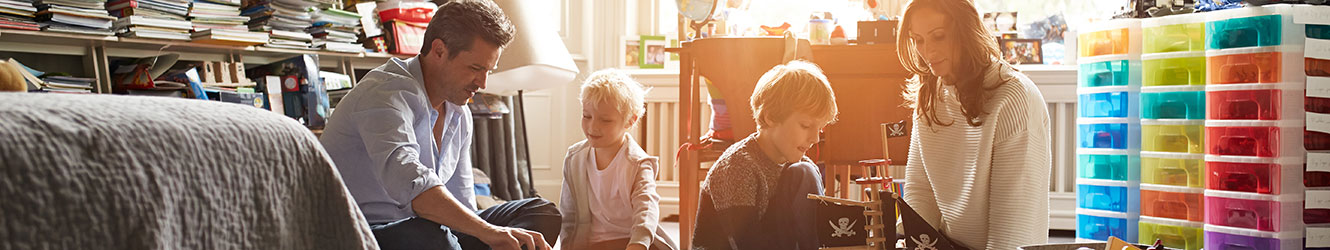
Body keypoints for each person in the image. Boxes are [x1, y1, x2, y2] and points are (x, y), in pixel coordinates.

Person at [318, 1, 560, 249]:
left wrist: (487, 231)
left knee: (542, 213)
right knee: (431, 236)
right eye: (475, 68)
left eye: (488, 70)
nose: (483, 83)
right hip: (363, 231)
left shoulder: (459, 111)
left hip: (427, 226)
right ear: (439, 50)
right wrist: (487, 233)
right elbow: (415, 188)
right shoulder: (385, 94)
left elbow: (462, 202)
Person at [894, 0, 1052, 249]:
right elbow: (920, 192)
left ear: (966, 32)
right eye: (918, 40)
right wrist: (908, 241)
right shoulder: (930, 93)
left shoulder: (1014, 97)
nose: (928, 52)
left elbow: (1012, 230)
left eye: (939, 37)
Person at [691, 60, 837, 250]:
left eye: (820, 130)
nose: (815, 138)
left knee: (806, 171)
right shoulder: (737, 167)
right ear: (770, 117)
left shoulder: (798, 164)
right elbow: (746, 243)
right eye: (806, 126)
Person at [558, 69, 678, 250]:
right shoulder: (574, 159)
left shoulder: (638, 164)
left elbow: (646, 210)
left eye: (605, 120)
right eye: (587, 116)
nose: (593, 126)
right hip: (592, 244)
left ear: (630, 121)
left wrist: (638, 244)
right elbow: (569, 214)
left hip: (632, 241)